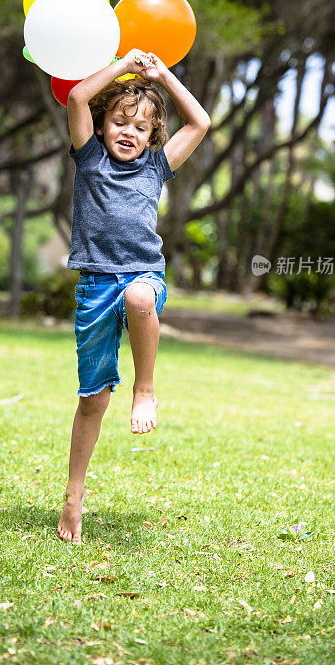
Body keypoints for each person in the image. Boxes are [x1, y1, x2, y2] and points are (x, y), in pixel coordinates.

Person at [57, 49, 211, 543]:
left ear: (153, 137)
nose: (129, 132)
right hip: (96, 287)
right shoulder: (89, 158)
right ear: (102, 126)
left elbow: (201, 122)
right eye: (120, 121)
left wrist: (162, 75)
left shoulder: (155, 168)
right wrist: (123, 63)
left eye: (141, 127)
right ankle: (73, 499)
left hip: (142, 275)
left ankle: (145, 388)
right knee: (92, 402)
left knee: (142, 300)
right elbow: (79, 95)